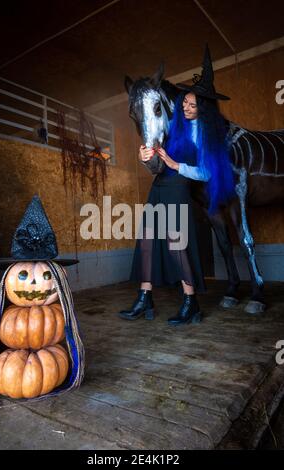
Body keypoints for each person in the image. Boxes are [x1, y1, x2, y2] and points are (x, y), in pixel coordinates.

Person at [119, 45, 235, 326]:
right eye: (186, 102)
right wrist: (145, 157)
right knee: (146, 240)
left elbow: (207, 172)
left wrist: (175, 165)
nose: (186, 106)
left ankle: (190, 301)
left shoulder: (207, 133)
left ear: (203, 108)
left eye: (193, 105)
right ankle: (144, 298)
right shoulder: (176, 127)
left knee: (175, 243)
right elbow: (157, 161)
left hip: (178, 185)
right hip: (160, 184)